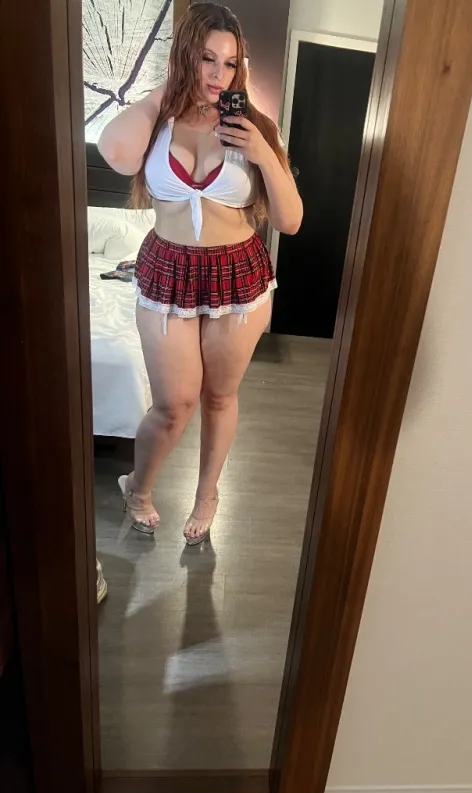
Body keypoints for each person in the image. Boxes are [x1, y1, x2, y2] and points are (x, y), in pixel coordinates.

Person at [98, 3, 302, 546]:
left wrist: (262, 151)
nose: (218, 75)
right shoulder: (158, 119)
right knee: (175, 403)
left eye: (231, 64)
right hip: (168, 270)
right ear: (185, 55)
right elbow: (116, 153)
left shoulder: (255, 127)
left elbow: (290, 220)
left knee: (220, 396)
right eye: (207, 59)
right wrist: (165, 93)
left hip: (239, 275)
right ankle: (138, 486)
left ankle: (208, 494)